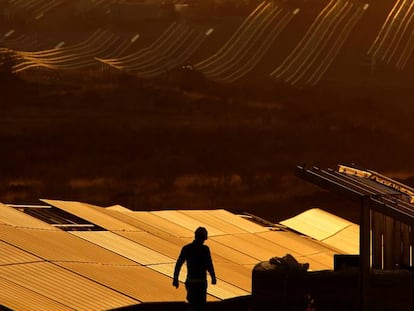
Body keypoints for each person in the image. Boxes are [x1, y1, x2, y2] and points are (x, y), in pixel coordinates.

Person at [173, 226, 217, 311]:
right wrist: (213, 277)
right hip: (201, 283)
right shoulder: (205, 249)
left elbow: (179, 264)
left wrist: (175, 279)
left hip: (191, 282)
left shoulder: (187, 248)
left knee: (192, 304)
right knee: (200, 306)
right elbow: (209, 265)